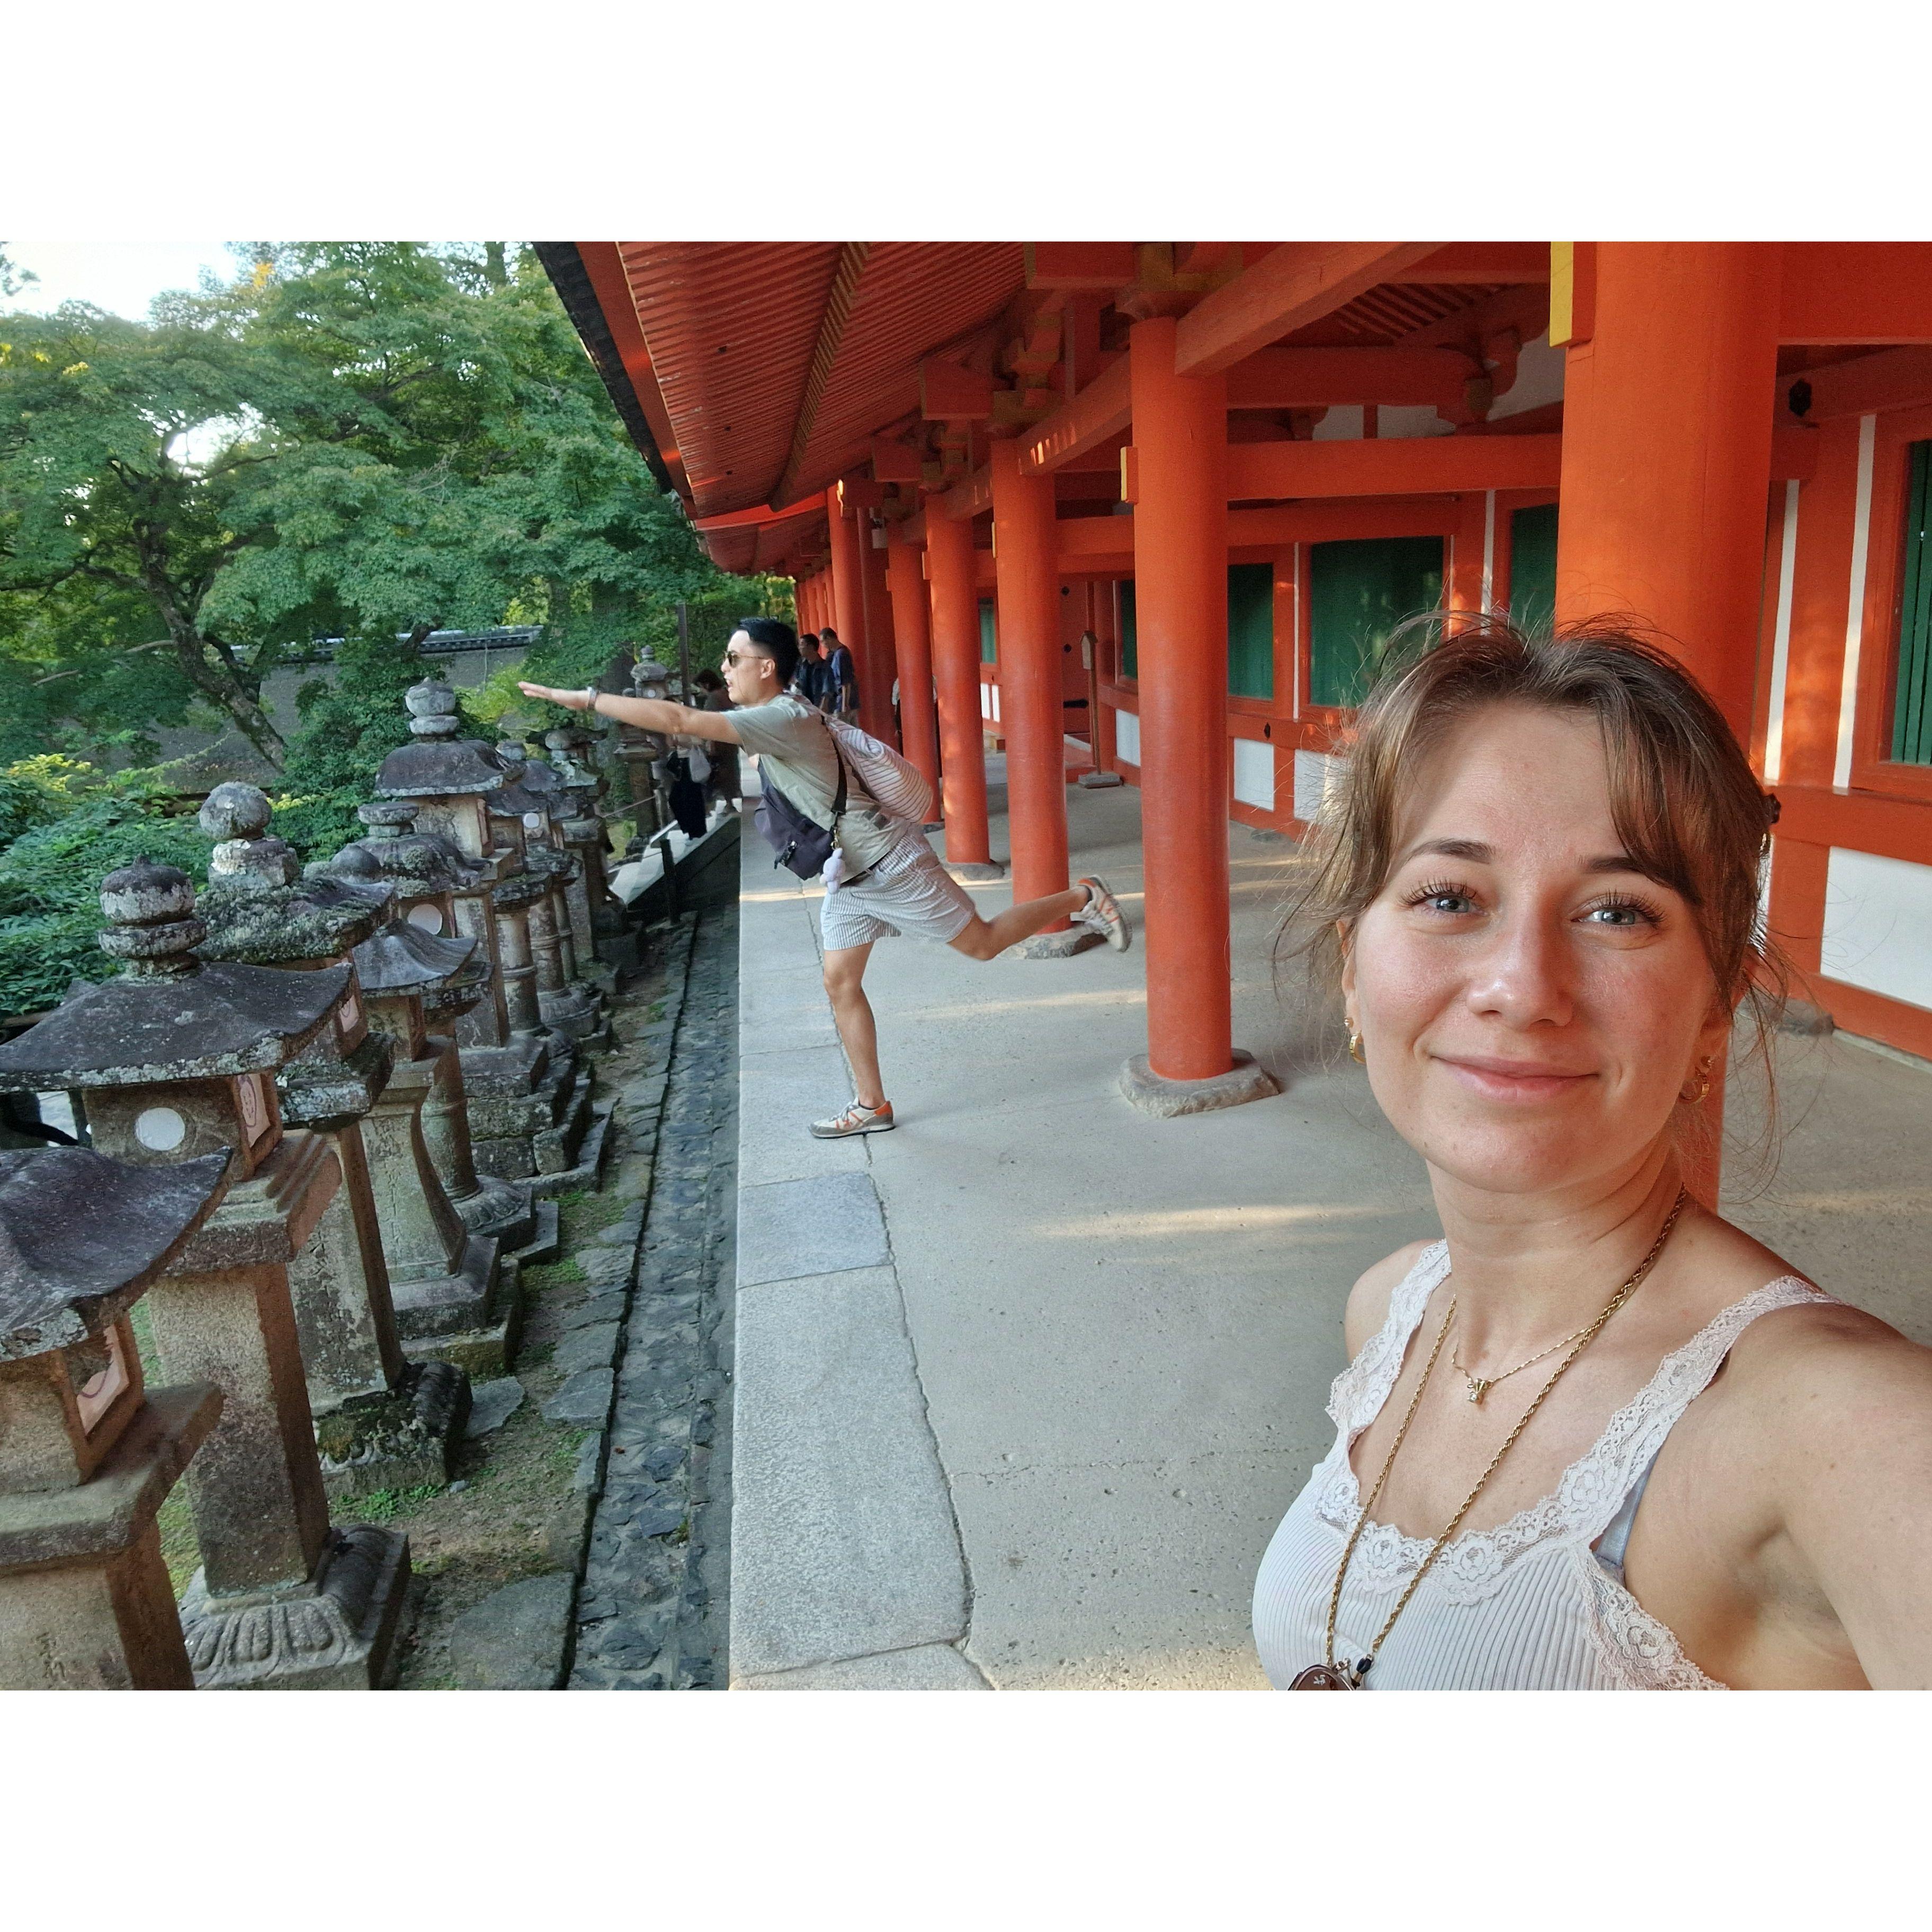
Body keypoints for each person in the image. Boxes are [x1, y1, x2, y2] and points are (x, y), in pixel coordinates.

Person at [1251, 613, 1932, 1690]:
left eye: (1618, 911)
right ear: (1352, 968)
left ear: (1715, 1013)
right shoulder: (1390, 1311)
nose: (1522, 986)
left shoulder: (1838, 1430)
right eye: (1448, 897)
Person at [518, 616, 1129, 1138]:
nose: (724, 669)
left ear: (767, 667)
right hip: (850, 876)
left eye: (733, 659)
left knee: (984, 943)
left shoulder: (781, 715)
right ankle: (873, 1105)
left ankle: (1084, 894)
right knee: (839, 983)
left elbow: (680, 720)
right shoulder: (777, 712)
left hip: (891, 864)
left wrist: (587, 700)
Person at [691, 667, 740, 811]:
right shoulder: (725, 694)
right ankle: (730, 801)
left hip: (719, 742)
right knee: (730, 770)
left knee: (720, 773)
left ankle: (727, 803)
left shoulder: (713, 698)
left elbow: (710, 722)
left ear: (706, 685)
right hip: (730, 740)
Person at [819, 626, 858, 721]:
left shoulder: (841, 655)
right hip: (848, 700)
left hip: (843, 701)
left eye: (823, 642)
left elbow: (845, 682)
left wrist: (845, 704)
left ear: (829, 638)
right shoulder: (839, 653)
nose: (823, 645)